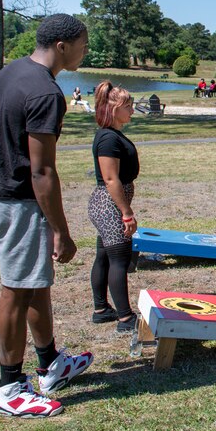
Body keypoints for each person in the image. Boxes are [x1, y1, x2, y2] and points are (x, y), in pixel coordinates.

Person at [0, 14, 94, 418]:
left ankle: (51, 364)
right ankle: (9, 387)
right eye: (83, 44)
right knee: (17, 288)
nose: (85, 51)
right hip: (18, 200)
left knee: (36, 281)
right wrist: (62, 230)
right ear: (62, 46)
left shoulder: (13, 71)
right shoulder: (46, 92)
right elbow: (42, 170)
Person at [88, 81, 141, 335]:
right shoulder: (108, 138)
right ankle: (125, 318)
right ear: (114, 108)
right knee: (119, 260)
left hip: (109, 205)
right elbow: (111, 179)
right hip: (109, 205)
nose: (132, 110)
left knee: (104, 256)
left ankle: (101, 309)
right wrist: (126, 213)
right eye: (128, 106)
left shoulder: (111, 134)